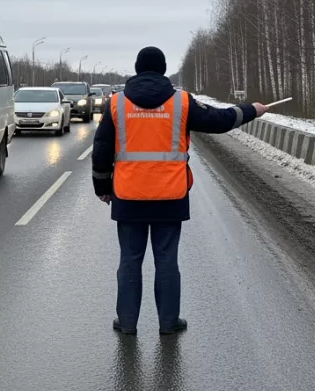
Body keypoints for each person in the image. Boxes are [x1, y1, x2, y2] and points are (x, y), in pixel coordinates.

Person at [91, 46, 266, 335]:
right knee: (167, 260)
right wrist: (252, 111)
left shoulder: (116, 103)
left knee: (130, 260)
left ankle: (127, 322)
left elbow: (101, 149)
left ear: (137, 69)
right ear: (162, 70)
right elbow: (219, 121)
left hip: (128, 195)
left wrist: (102, 186)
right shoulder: (181, 102)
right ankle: (168, 322)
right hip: (170, 196)